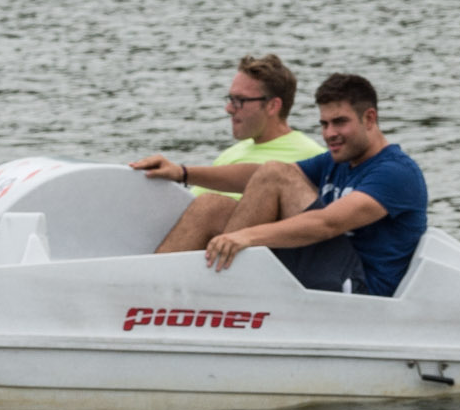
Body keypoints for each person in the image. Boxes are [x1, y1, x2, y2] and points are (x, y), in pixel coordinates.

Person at [140, 73, 429, 296]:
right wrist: (182, 172)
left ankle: (213, 297)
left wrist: (247, 237)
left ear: (370, 119)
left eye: (339, 122)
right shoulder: (337, 162)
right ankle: (142, 294)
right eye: (324, 124)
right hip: (324, 268)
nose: (330, 133)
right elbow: (253, 176)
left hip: (358, 292)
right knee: (211, 205)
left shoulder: (395, 173)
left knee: (276, 174)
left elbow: (327, 224)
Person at [132, 56, 325, 247]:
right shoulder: (232, 153)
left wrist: (183, 173)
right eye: (230, 99)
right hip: (195, 249)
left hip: (252, 257)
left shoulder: (312, 156)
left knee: (211, 206)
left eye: (240, 100)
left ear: (272, 106)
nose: (229, 109)